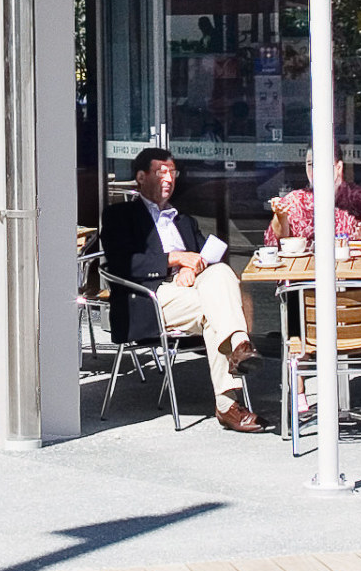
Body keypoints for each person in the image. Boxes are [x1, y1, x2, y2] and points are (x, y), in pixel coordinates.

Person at [99, 148, 265, 430]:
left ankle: (233, 372)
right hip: (151, 294)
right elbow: (121, 263)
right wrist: (174, 259)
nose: (169, 177)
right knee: (219, 309)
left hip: (193, 292)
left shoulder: (183, 220)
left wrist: (192, 267)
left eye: (172, 171)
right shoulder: (120, 215)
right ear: (141, 177)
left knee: (222, 273)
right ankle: (232, 383)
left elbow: (206, 256)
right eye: (160, 171)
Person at [265, 151, 361, 249]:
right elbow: (273, 246)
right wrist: (281, 217)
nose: (316, 171)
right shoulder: (295, 201)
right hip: (305, 281)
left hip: (357, 280)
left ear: (338, 167)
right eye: (311, 164)